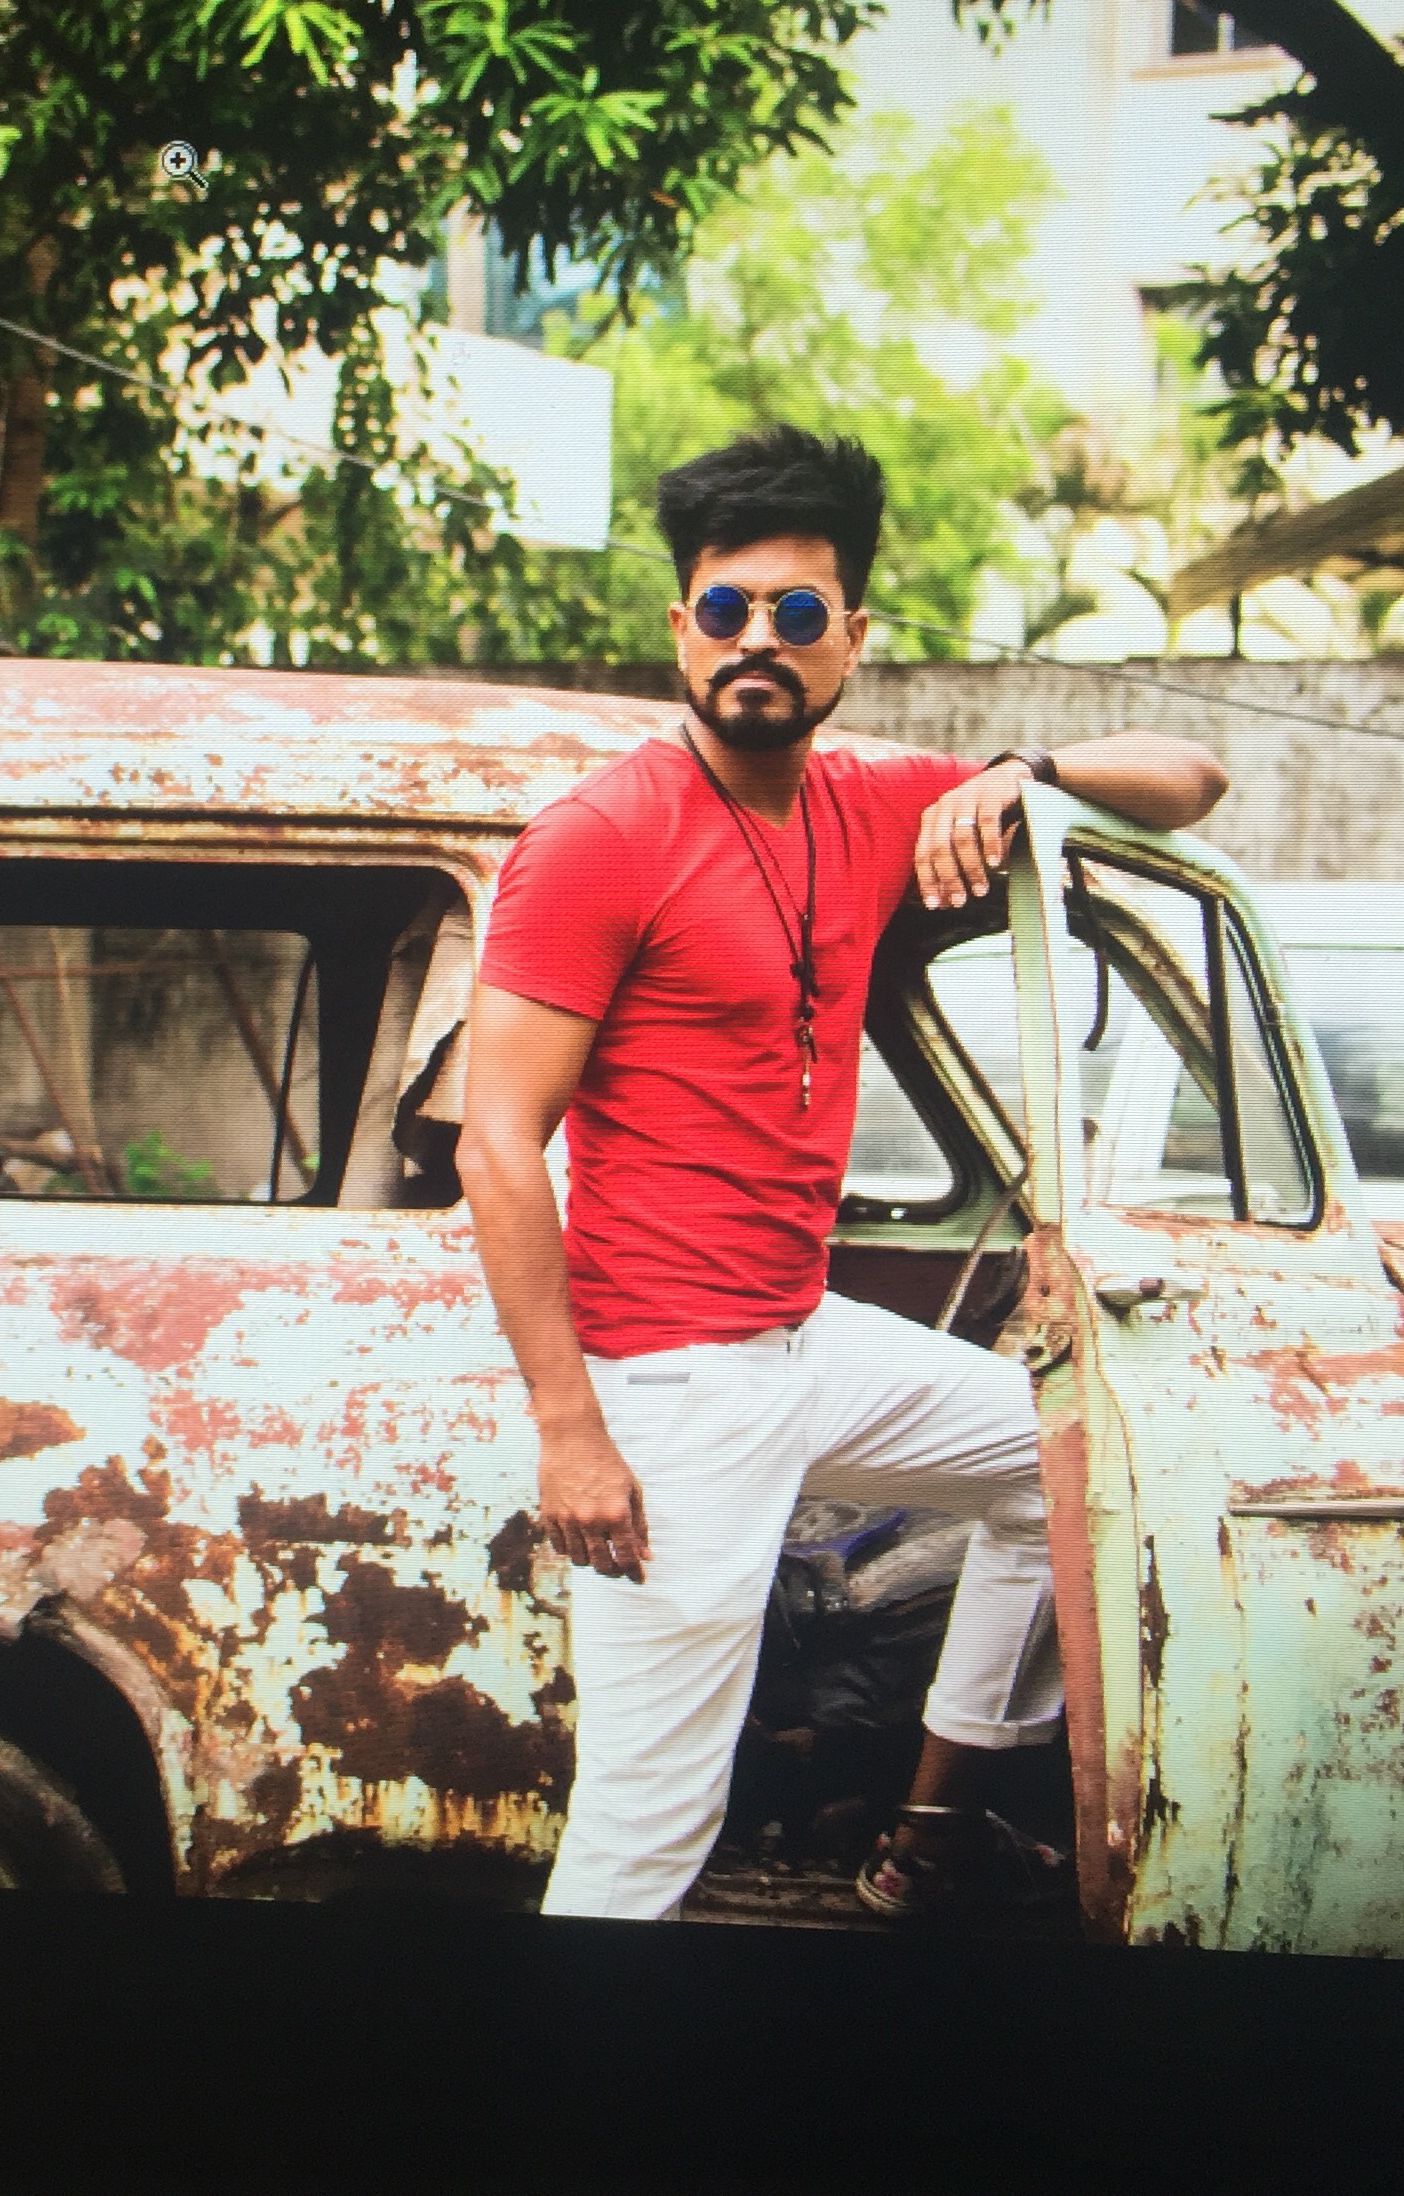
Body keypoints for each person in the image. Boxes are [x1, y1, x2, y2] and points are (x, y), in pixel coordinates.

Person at [461, 425, 1227, 1924]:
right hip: (671, 1378)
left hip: (796, 1335)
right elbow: (496, 1141)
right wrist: (570, 1429)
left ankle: (932, 1825)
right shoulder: (600, 838)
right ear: (681, 626)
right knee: (649, 1826)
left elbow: (1191, 779)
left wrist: (1023, 774)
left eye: (796, 612)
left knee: (1064, 1472)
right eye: (726, 608)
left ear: (851, 638)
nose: (758, 639)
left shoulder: (871, 807)